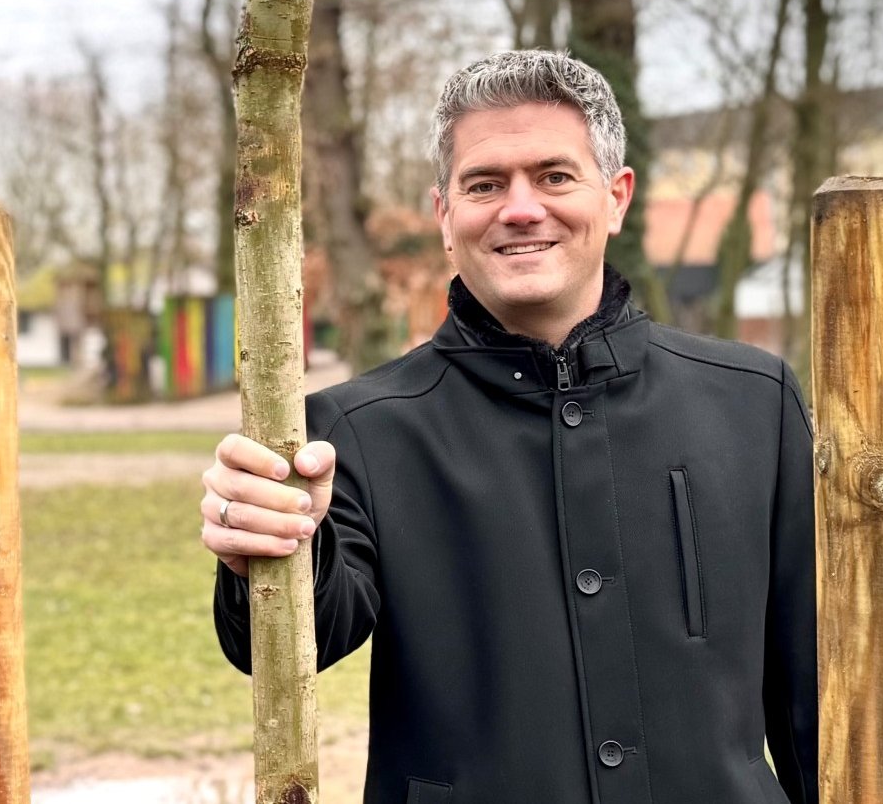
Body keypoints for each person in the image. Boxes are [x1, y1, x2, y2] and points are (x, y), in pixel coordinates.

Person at [200, 50, 817, 803]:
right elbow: (292, 644)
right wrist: (263, 543)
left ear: (616, 198)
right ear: (444, 216)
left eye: (554, 176)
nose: (520, 209)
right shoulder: (354, 430)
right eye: (485, 184)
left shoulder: (753, 401)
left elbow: (814, 694)